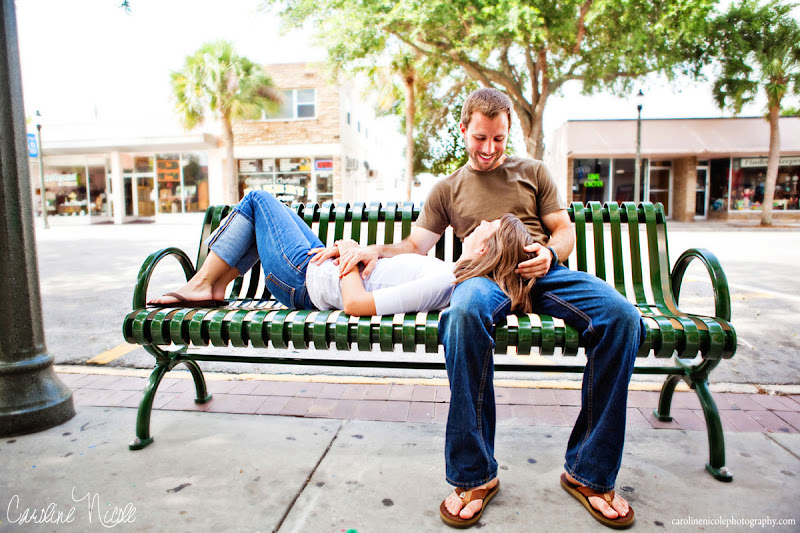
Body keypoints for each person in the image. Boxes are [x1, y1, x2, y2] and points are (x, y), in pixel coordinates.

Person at [320, 88, 645, 529]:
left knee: (622, 318)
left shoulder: (533, 172)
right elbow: (416, 245)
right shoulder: (447, 189)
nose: (489, 148)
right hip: (484, 276)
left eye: (499, 139)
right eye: (480, 138)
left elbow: (563, 229)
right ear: (463, 130)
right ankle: (475, 475)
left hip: (541, 271)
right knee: (461, 317)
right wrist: (374, 250)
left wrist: (551, 253)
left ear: (508, 132)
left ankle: (589, 473)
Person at [148, 190, 534, 319]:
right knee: (265, 212)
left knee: (257, 200)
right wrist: (359, 254)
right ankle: (213, 287)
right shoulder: (448, 275)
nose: (483, 222)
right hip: (316, 269)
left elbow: (356, 304)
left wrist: (348, 255)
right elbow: (380, 279)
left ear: (485, 247)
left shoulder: (443, 280)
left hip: (301, 280)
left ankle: (203, 284)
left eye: (490, 224)